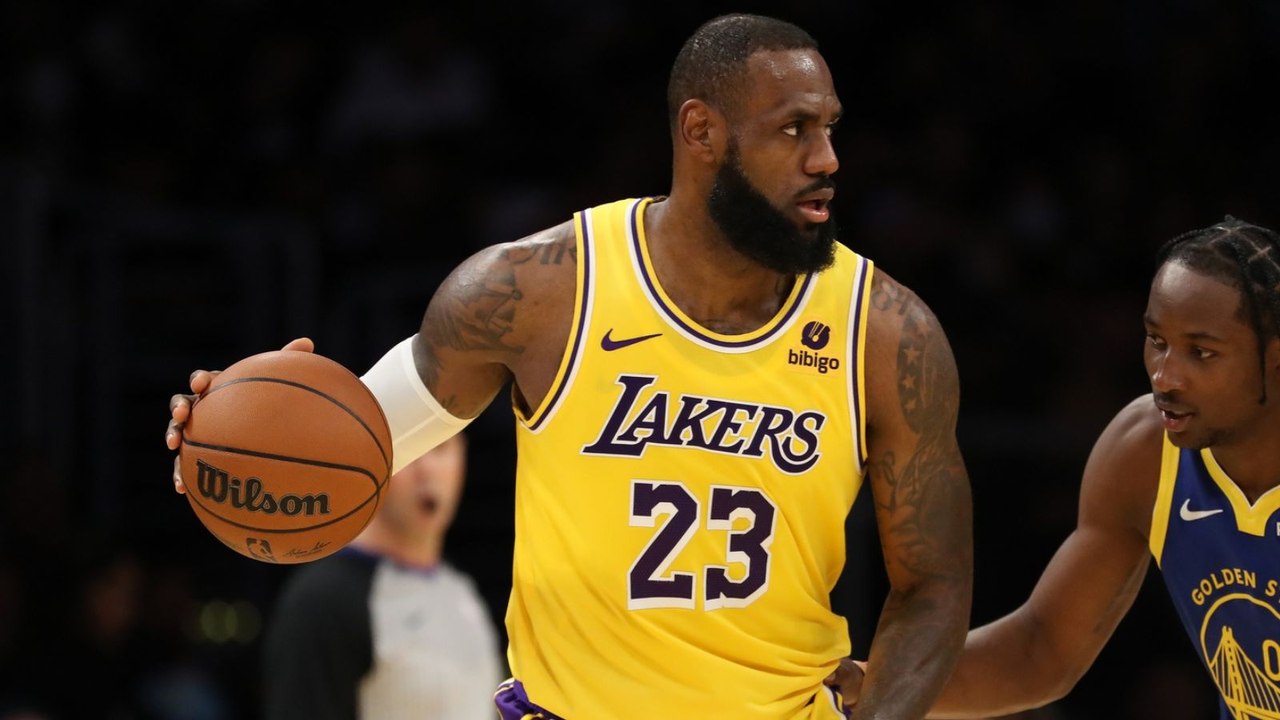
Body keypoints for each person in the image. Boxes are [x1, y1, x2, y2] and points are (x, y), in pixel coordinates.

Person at [167, 14, 974, 719]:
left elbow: (933, 587)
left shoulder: (886, 333)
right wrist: (236, 429)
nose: (828, 157)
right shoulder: (540, 291)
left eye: (831, 127)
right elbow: (349, 448)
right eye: (795, 129)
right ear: (703, 133)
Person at [833, 216, 1280, 719]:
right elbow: (1040, 652)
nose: (1165, 375)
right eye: (1157, 341)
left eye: (1201, 352)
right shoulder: (1144, 452)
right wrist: (874, 684)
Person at [260, 434, 503, 720]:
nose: (427, 470)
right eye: (409, 450)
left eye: (440, 448)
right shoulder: (323, 599)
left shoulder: (462, 592)